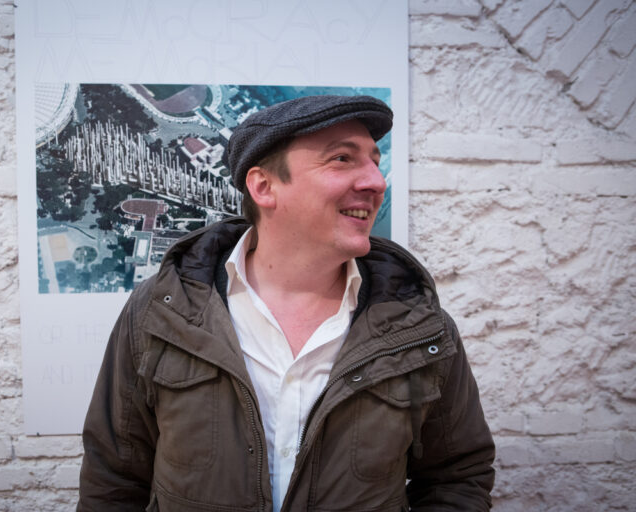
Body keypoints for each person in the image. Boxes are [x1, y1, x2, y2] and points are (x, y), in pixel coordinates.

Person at [77, 95, 495, 511]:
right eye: (342, 159)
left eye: (374, 161)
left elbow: (456, 478)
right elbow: (113, 480)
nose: (376, 181)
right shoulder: (161, 310)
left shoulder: (418, 326)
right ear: (264, 187)